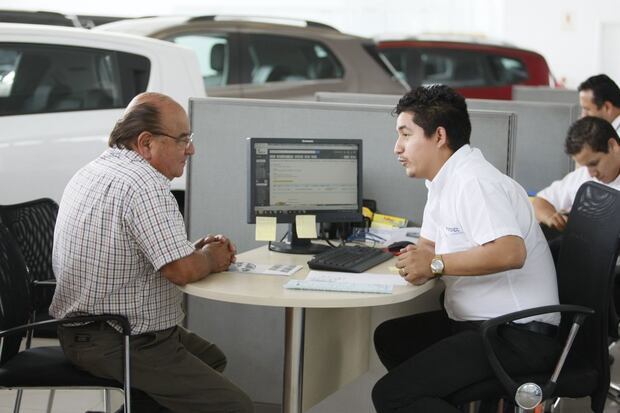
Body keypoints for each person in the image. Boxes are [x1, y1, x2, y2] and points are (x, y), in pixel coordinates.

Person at [50, 92, 254, 413]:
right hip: (119, 338)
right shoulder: (145, 186)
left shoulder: (97, 168)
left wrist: (195, 251)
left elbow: (140, 251)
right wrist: (211, 258)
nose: (191, 149)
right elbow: (180, 272)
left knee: (211, 359)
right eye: (182, 139)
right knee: (235, 406)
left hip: (87, 330)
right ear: (146, 143)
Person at [372, 85, 561, 413]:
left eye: (405, 134)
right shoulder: (443, 182)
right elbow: (429, 245)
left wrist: (434, 264)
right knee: (392, 338)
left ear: (439, 136)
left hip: (517, 335)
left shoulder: (475, 181)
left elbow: (510, 252)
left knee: (392, 395)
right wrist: (419, 258)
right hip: (484, 324)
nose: (397, 147)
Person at [532, 117, 620, 233]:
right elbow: (541, 201)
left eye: (594, 163)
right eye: (586, 166)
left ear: (613, 146)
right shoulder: (582, 176)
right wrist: (551, 217)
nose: (592, 174)